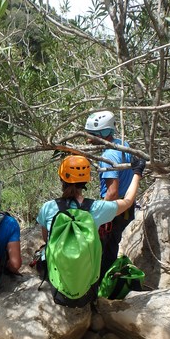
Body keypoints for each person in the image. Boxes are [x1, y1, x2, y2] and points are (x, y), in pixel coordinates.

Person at [36, 154, 145, 305]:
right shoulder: (97, 208)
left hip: (58, 283)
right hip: (87, 285)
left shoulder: (48, 207)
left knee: (42, 251)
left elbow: (45, 238)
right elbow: (127, 201)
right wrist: (137, 172)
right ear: (86, 180)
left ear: (62, 179)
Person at [84, 110, 136, 279]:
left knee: (104, 250)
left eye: (90, 134)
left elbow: (112, 192)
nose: (87, 137)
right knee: (112, 246)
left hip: (114, 209)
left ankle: (101, 285)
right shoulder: (123, 145)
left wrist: (101, 214)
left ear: (102, 133)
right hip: (126, 206)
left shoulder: (108, 156)